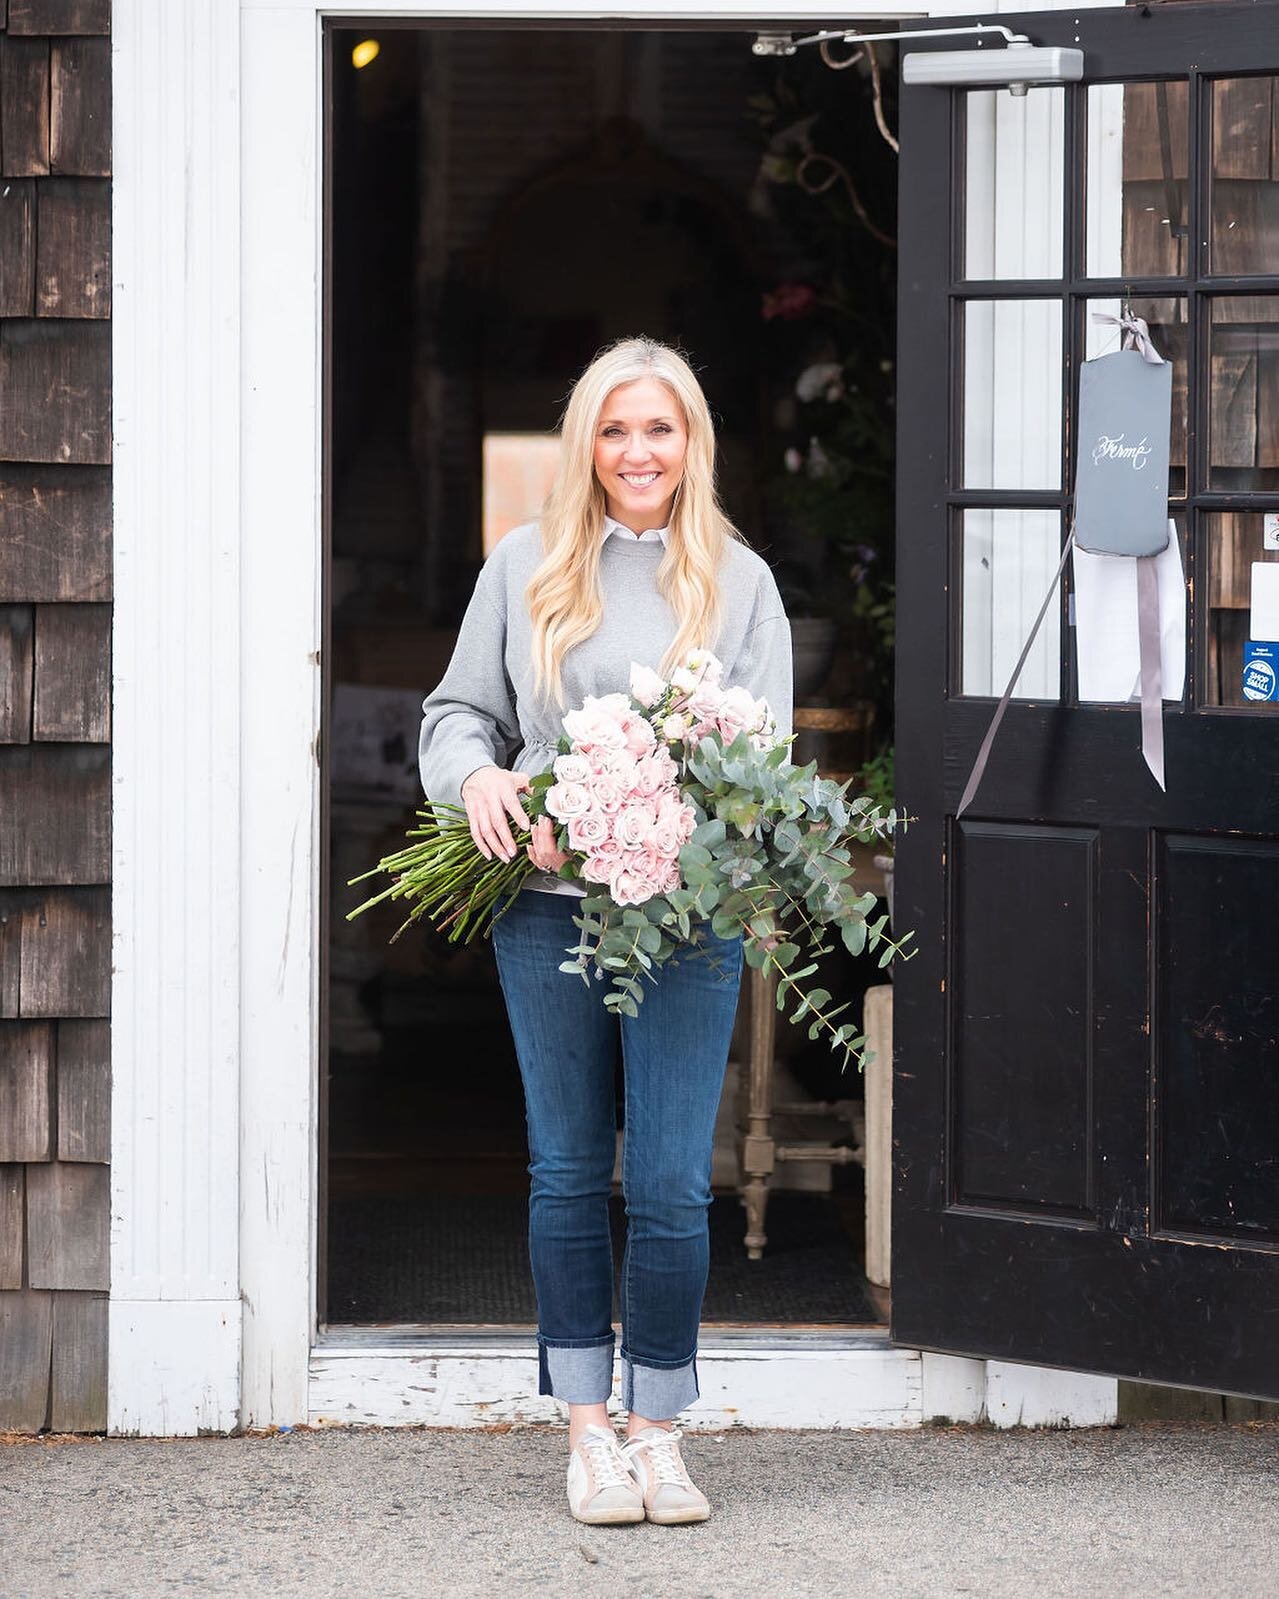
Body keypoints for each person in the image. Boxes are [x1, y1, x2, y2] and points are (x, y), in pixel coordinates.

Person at [418, 336, 792, 1525]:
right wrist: (479, 785)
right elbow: (457, 715)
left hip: (689, 922)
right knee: (570, 1172)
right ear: (588, 444)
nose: (639, 452)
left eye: (661, 430)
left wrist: (679, 827)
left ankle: (659, 1431)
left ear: (692, 445)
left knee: (677, 1183)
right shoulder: (523, 567)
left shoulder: (738, 581)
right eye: (618, 430)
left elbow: (766, 771)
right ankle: (588, 1431)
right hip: (543, 914)